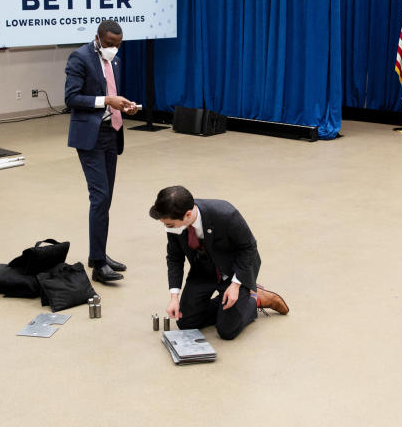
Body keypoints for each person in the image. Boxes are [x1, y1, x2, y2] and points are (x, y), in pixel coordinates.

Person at [149, 185, 289, 340]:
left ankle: (254, 299)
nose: (166, 227)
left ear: (188, 214)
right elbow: (175, 258)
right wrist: (174, 297)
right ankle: (230, 307)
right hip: (203, 271)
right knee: (186, 322)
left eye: (169, 224)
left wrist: (236, 285)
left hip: (234, 271)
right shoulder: (174, 224)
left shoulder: (226, 214)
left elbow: (249, 247)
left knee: (227, 331)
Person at [65, 20, 139, 284]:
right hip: (90, 136)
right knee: (100, 197)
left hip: (112, 132)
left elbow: (111, 92)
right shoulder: (80, 58)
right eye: (109, 44)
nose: (113, 49)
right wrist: (107, 101)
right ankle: (98, 265)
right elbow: (71, 98)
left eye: (118, 45)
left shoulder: (114, 61)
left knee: (106, 199)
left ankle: (99, 254)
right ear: (97, 38)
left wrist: (123, 106)